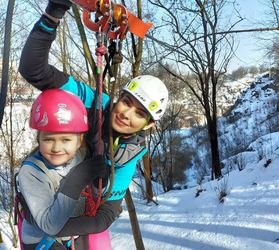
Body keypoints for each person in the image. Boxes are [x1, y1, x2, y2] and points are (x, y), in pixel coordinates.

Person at [18, 0, 169, 249]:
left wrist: (62, 227)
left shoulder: (129, 153)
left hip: (75, 215)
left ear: (148, 125)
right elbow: (34, 70)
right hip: (42, 202)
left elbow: (106, 215)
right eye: (126, 101)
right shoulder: (93, 101)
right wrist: (55, 11)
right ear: (118, 96)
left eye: (139, 113)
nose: (125, 113)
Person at [17, 89, 109, 250]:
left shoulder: (80, 158)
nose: (57, 147)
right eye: (48, 139)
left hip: (72, 235)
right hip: (41, 241)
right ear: (39, 139)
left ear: (79, 140)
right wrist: (76, 181)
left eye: (66, 139)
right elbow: (49, 225)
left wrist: (100, 181)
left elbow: (96, 196)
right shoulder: (32, 171)